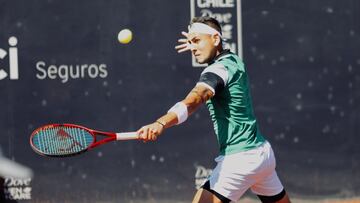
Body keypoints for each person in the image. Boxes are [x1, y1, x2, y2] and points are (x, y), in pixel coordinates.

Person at [137, 16, 291, 203]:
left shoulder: (218, 70)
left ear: (216, 39)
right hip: (262, 155)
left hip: (240, 159)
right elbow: (215, 49)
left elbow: (195, 100)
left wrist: (161, 122)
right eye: (190, 42)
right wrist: (201, 42)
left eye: (197, 41)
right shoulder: (233, 60)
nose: (193, 48)